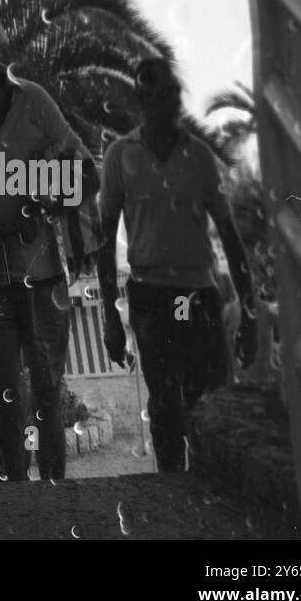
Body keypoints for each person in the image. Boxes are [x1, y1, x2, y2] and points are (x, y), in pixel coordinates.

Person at [0, 3, 102, 482]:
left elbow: (87, 173)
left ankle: (53, 497)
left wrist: (42, 203)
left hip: (45, 273)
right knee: (10, 392)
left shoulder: (34, 101)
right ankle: (17, 506)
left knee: (48, 391)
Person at [99, 56, 256, 472]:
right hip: (150, 298)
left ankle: (210, 499)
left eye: (172, 90)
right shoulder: (119, 157)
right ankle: (173, 506)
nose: (169, 99)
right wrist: (110, 321)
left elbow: (230, 237)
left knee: (208, 405)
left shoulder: (200, 157)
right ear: (141, 98)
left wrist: (250, 312)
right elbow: (103, 241)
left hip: (198, 295)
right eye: (157, 91)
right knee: (166, 409)